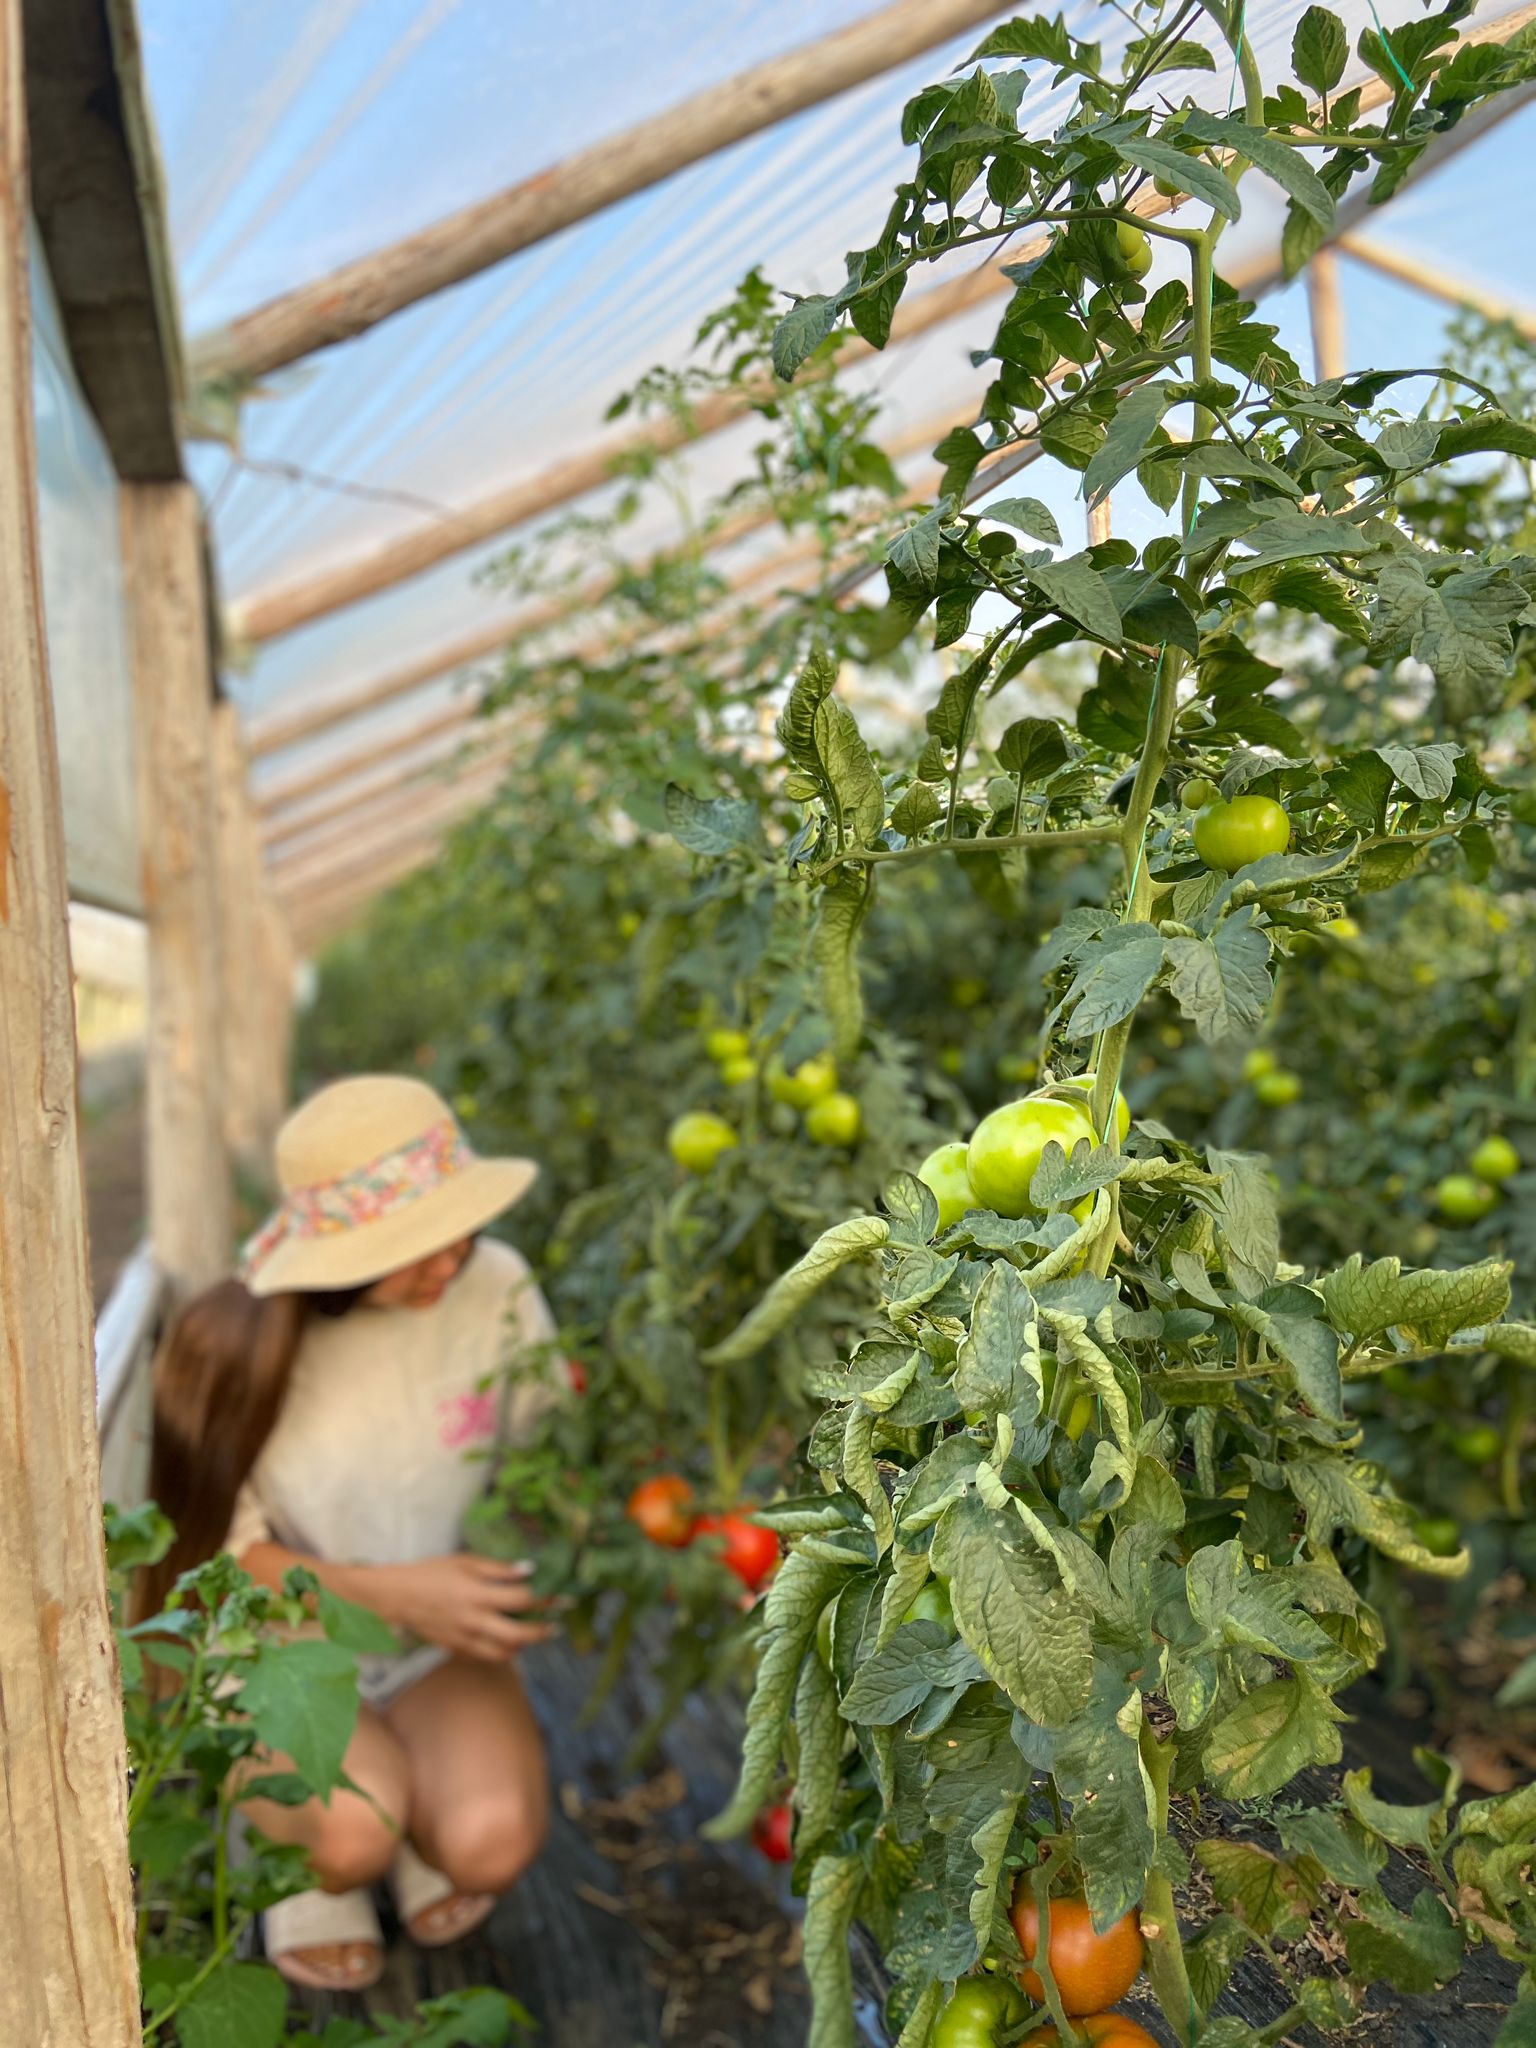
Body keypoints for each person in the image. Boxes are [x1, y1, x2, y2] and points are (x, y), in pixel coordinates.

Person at [137, 1075, 564, 1991]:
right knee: (346, 1832)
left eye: (458, 1228)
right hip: (285, 1642)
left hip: (433, 1641)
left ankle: (412, 1805)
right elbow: (218, 1560)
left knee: (486, 1840)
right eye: (411, 1247)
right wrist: (399, 1594)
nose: (448, 1259)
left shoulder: (497, 1288)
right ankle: (304, 1865)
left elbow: (544, 1454)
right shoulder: (245, 1344)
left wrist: (552, 1544)